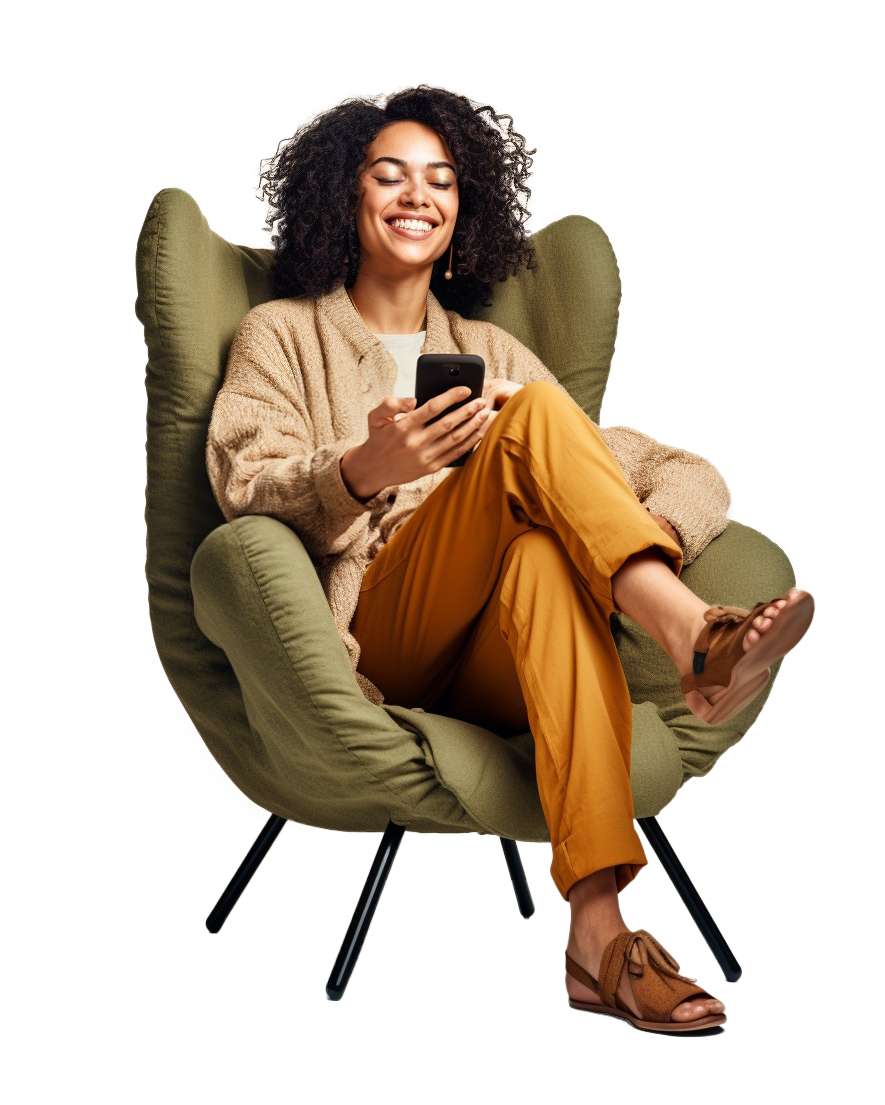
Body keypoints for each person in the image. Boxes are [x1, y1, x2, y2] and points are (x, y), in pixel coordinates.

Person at [205, 81, 815, 1033]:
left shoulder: (491, 351)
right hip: (383, 637)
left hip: (502, 655)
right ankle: (693, 636)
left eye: (443, 181)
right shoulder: (282, 335)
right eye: (391, 175)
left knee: (537, 554)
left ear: (464, 211)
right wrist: (364, 468)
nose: (419, 196)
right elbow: (246, 480)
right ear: (344, 197)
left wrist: (598, 520)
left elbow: (680, 470)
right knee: (531, 420)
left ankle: (598, 940)